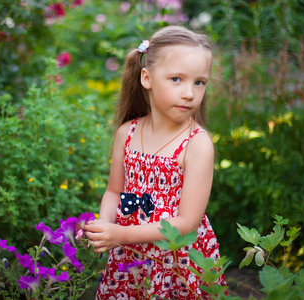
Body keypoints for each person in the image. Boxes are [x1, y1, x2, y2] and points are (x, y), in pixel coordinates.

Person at [83, 25, 226, 299]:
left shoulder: (197, 144)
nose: (189, 93)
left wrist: (120, 235)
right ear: (146, 78)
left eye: (199, 82)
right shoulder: (128, 133)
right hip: (131, 258)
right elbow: (114, 191)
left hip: (175, 262)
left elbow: (187, 222)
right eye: (176, 79)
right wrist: (104, 227)